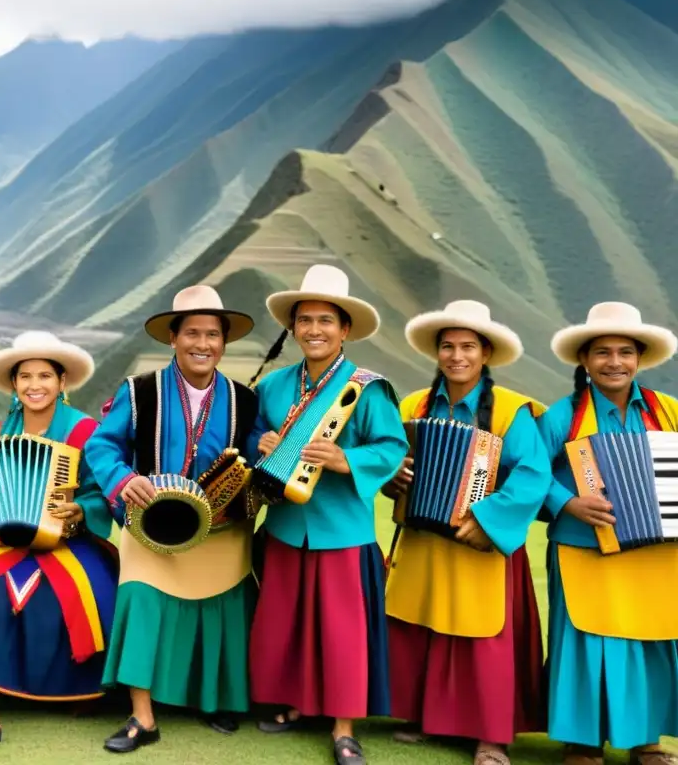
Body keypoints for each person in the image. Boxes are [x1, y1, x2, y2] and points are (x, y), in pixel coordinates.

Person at [84, 285, 264, 753]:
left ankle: (217, 698)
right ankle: (142, 717)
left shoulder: (246, 401)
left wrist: (257, 466)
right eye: (192, 333)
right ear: (172, 338)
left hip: (221, 529)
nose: (202, 343)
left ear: (224, 343)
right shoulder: (138, 391)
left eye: (212, 334)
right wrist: (123, 481)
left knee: (227, 604)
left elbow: (257, 461)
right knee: (141, 600)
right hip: (150, 525)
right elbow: (102, 445)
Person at [248, 264, 408, 765]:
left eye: (326, 321)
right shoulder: (274, 386)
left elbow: (391, 445)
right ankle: (294, 704)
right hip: (286, 524)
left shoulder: (370, 388)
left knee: (342, 632)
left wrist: (346, 459)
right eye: (305, 320)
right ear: (293, 328)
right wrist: (262, 443)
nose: (314, 330)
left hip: (342, 527)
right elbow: (251, 434)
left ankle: (343, 727)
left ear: (345, 330)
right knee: (287, 623)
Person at [382, 301, 551, 765]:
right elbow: (386, 457)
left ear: (485, 353)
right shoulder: (412, 404)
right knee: (422, 620)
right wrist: (391, 475)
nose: (457, 356)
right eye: (448, 346)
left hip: (480, 539)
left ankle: (490, 736)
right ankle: (427, 717)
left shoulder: (513, 411)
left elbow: (531, 475)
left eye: (468, 347)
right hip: (421, 536)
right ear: (437, 353)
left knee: (483, 635)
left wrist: (488, 520)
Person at [0, 330, 118, 749]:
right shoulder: (0, 433)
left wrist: (81, 510)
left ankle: (75, 689)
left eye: (44, 376)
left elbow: (102, 491)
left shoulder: (86, 431)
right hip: (8, 541)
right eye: (26, 377)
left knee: (88, 589)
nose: (35, 385)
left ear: (61, 383)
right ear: (14, 385)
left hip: (70, 539)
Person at [536, 303, 678, 765]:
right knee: (582, 644)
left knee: (649, 640)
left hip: (655, 552)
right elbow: (527, 475)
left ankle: (646, 742)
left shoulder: (670, 412)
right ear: (584, 360)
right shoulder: (561, 417)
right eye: (602, 352)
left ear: (639, 358)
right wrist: (567, 502)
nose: (614, 362)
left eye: (624, 352)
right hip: (581, 550)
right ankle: (582, 742)